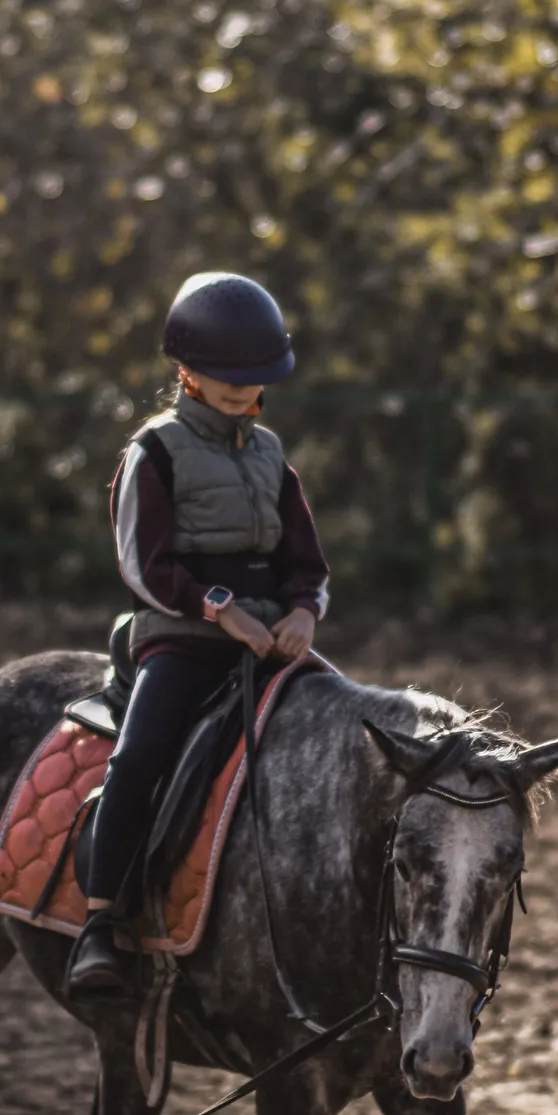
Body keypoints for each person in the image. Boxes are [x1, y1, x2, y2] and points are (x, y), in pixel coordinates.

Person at [66, 271, 330, 998]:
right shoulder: (155, 450)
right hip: (182, 634)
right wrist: (220, 609)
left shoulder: (272, 455)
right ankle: (101, 919)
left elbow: (305, 561)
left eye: (255, 380)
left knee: (343, 735)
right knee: (141, 751)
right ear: (186, 372)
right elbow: (140, 564)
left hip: (271, 639)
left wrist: (303, 611)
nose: (245, 392)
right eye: (227, 379)